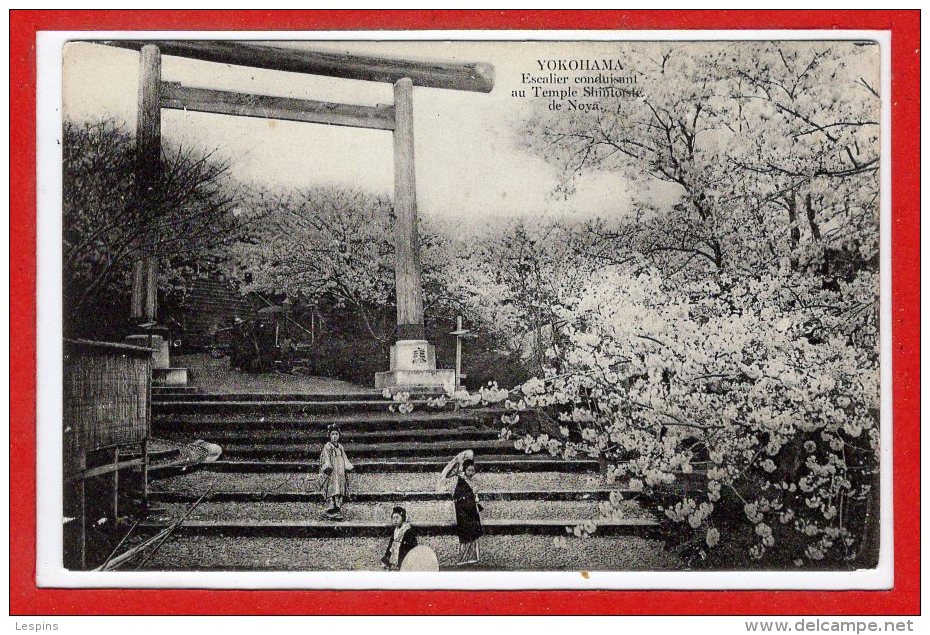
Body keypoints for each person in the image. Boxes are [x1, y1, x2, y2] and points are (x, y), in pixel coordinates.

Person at [441, 452, 483, 566]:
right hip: (464, 511)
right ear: (465, 470)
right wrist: (472, 493)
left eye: (473, 471)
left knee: (473, 533)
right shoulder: (460, 481)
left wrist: (474, 496)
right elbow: (459, 496)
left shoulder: (472, 481)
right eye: (469, 470)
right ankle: (464, 558)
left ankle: (474, 557)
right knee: (466, 532)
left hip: (471, 510)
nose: (471, 473)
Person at [319, 425, 353, 519]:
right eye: (332, 434)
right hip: (333, 470)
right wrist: (328, 466)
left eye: (336, 434)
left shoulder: (340, 447)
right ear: (329, 435)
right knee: (333, 487)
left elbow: (344, 457)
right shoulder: (328, 446)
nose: (334, 436)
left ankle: (337, 507)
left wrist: (347, 465)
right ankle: (331, 507)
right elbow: (325, 457)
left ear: (339, 435)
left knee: (340, 487)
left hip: (340, 469)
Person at [381, 506, 418, 570]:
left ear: (403, 518)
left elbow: (413, 546)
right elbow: (390, 545)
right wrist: (386, 556)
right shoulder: (395, 531)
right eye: (393, 518)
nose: (395, 520)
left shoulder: (408, 531)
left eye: (397, 518)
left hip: (403, 558)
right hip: (393, 558)